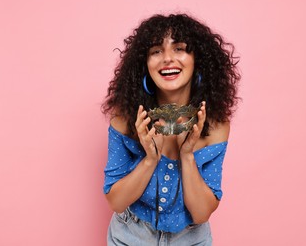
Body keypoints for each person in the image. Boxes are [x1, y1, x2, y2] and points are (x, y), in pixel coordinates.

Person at [101, 13, 240, 245]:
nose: (167, 58)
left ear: (198, 59)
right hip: (129, 236)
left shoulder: (215, 124)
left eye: (179, 49)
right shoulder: (126, 118)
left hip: (191, 239)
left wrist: (187, 156)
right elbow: (116, 201)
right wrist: (149, 159)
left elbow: (202, 213)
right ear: (144, 63)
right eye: (156, 51)